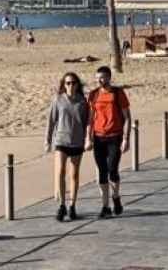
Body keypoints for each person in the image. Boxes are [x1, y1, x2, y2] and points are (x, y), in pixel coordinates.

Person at [85, 66, 131, 218]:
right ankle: (105, 206)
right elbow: (90, 119)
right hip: (99, 137)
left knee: (112, 169)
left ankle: (116, 196)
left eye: (103, 77)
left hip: (114, 136)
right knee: (102, 172)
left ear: (109, 77)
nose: (100, 80)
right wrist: (88, 138)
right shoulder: (93, 95)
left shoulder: (118, 93)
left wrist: (126, 139)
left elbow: (127, 117)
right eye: (97, 77)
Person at [45, 72, 90, 222]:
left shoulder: (83, 102)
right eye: (67, 83)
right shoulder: (58, 100)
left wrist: (88, 139)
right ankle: (62, 205)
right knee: (60, 172)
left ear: (78, 85)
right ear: (64, 85)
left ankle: (72, 205)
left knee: (75, 175)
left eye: (73, 83)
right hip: (61, 141)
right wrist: (47, 140)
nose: (70, 86)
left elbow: (87, 123)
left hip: (77, 141)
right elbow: (51, 121)